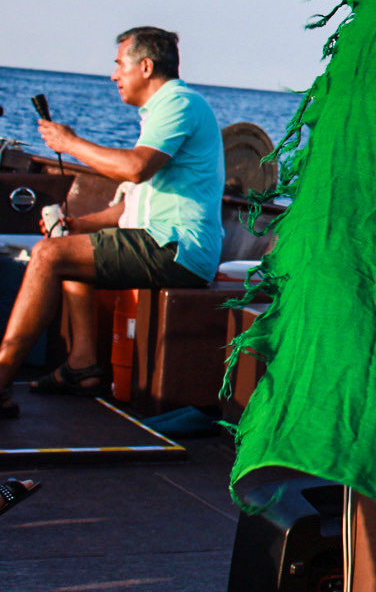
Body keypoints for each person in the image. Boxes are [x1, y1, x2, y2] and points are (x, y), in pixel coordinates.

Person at [0, 28, 224, 418]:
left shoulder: (179, 104)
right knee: (66, 245)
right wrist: (77, 224)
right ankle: (83, 365)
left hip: (176, 248)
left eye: (120, 64)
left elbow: (136, 168)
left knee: (49, 255)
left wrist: (70, 143)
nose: (114, 75)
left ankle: (2, 375)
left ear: (146, 66)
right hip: (159, 241)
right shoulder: (159, 113)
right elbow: (129, 209)